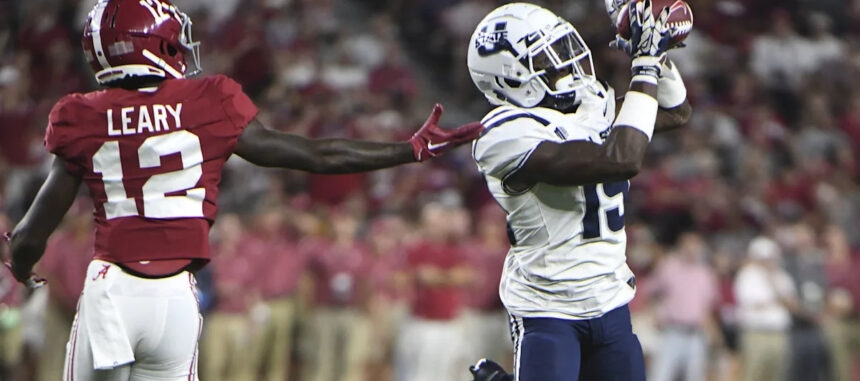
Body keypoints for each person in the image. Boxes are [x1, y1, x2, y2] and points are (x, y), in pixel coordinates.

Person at [2, 0, 483, 380]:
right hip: (176, 299)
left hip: (114, 291)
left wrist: (23, 268)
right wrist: (406, 150)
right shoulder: (210, 99)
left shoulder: (81, 115)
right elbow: (315, 155)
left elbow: (30, 234)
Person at [465, 2, 691, 380]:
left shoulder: (589, 102)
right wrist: (645, 64)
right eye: (547, 57)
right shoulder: (505, 135)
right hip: (547, 308)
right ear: (510, 77)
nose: (567, 62)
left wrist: (657, 53)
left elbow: (675, 111)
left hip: (610, 299)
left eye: (563, 46)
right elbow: (622, 159)